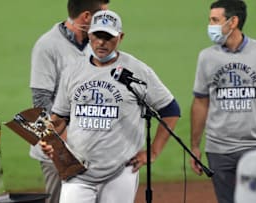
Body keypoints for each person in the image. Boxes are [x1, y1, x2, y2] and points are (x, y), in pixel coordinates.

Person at [39, 9, 180, 203]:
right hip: (77, 171)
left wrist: (153, 151)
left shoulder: (137, 71)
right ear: (89, 35)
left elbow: (170, 109)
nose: (101, 42)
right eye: (97, 36)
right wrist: (48, 140)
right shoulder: (73, 71)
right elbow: (60, 118)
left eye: (108, 37)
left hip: (120, 172)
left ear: (120, 37)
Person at [190, 0, 256, 203]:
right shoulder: (206, 57)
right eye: (210, 20)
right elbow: (200, 102)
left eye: (215, 20)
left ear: (233, 22)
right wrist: (195, 146)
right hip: (218, 151)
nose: (210, 26)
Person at [29, 1, 109, 202]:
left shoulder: (100, 44)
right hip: (58, 149)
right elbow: (40, 103)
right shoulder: (48, 45)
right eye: (104, 14)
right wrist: (64, 142)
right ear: (86, 17)